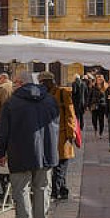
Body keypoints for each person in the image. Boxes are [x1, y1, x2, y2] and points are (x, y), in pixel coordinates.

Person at [0, 71, 59, 218]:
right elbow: (55, 125)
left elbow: (1, 132)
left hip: (20, 152)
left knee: (21, 190)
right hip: (46, 152)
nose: (14, 85)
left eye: (16, 82)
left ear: (22, 83)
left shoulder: (12, 103)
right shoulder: (50, 100)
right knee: (43, 188)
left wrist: (0, 152)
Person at [38, 71, 78, 200]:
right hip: (50, 134)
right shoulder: (43, 95)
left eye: (43, 82)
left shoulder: (63, 92)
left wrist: (71, 133)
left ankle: (55, 191)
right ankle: (63, 190)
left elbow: (70, 113)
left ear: (50, 81)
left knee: (61, 164)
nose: (42, 85)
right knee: (56, 164)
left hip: (63, 135)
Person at [88, 74, 107, 139]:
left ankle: (100, 133)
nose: (99, 80)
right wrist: (89, 105)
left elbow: (106, 97)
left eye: (100, 79)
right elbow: (89, 96)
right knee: (94, 120)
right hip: (94, 105)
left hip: (102, 106)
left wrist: (105, 103)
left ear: (102, 80)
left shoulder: (105, 87)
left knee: (101, 120)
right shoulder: (93, 87)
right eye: (98, 79)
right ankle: (95, 129)